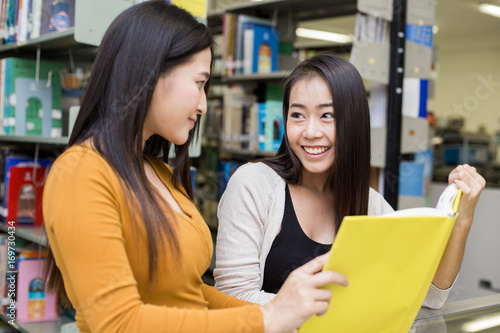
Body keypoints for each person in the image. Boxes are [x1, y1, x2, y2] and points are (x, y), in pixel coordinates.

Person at [42, 3, 349, 333]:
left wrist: (282, 312)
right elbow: (118, 323)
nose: (203, 104)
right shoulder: (81, 173)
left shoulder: (156, 170)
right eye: (200, 83)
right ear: (151, 73)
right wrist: (266, 318)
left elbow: (188, 292)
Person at [214, 53, 486, 309]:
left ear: (352, 123)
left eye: (327, 116)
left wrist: (461, 221)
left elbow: (430, 296)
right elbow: (233, 298)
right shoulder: (253, 185)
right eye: (297, 115)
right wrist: (339, 313)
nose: (310, 132)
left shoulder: (370, 204)